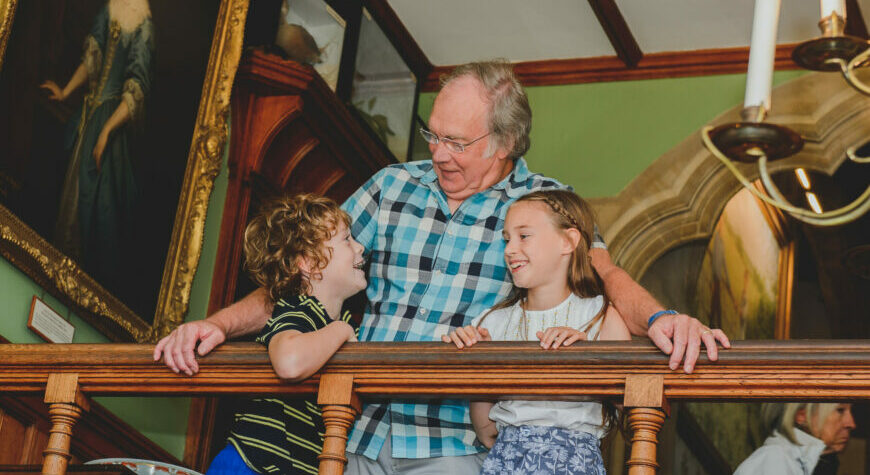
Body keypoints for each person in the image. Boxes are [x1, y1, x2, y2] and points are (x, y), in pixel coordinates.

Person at [155, 60, 730, 473]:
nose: (437, 151)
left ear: (504, 143)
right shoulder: (390, 185)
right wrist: (219, 325)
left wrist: (662, 320)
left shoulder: (544, 207)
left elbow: (608, 278)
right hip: (348, 429)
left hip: (454, 446)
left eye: (457, 142)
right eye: (433, 134)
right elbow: (300, 272)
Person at [443, 189, 630, 475]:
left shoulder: (599, 318)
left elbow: (630, 409)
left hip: (574, 463)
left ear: (568, 241)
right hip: (507, 461)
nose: (509, 249)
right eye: (506, 239)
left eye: (524, 236)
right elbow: (486, 430)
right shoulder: (492, 322)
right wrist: (478, 361)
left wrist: (589, 357)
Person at [205, 194, 365, 475]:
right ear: (310, 263)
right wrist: (340, 330)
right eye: (347, 240)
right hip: (252, 465)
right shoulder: (297, 308)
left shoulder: (348, 323)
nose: (360, 247)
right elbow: (289, 361)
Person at [41, 0, 153, 292]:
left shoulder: (144, 25)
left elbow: (135, 92)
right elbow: (92, 60)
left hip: (109, 127)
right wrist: (65, 92)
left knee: (98, 209)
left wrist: (105, 131)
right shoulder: (110, 9)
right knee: (69, 200)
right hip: (89, 118)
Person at [733, 402, 856, 475]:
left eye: (850, 411)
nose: (851, 423)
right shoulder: (775, 460)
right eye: (840, 410)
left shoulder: (805, 465)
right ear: (801, 416)